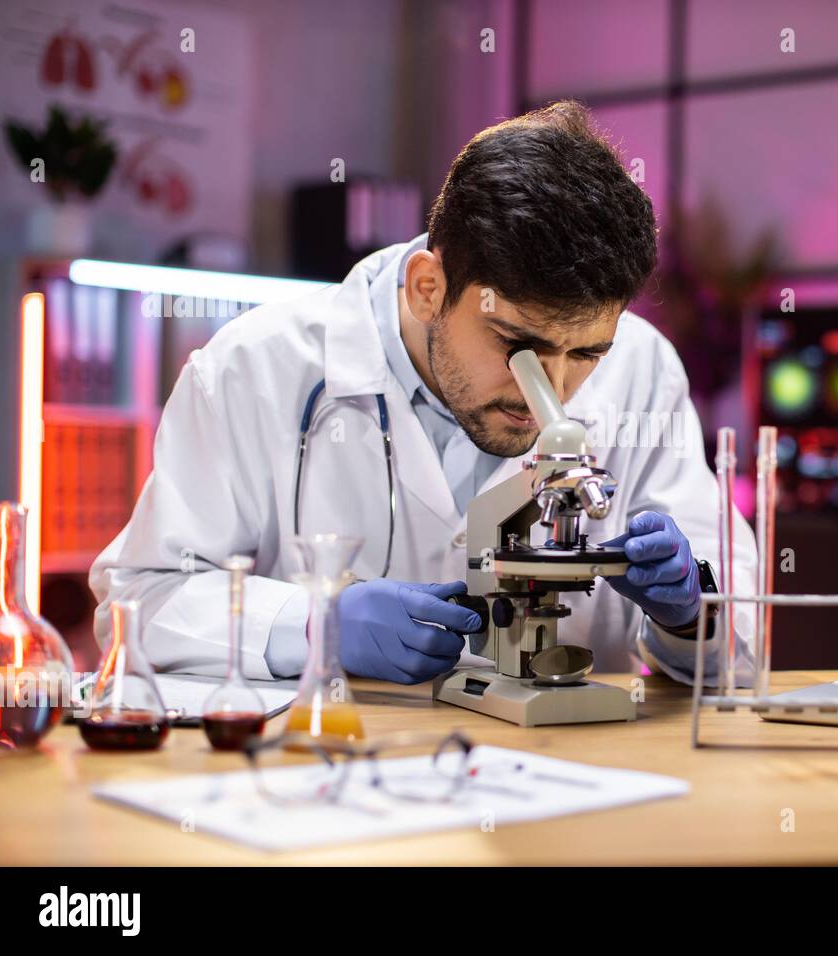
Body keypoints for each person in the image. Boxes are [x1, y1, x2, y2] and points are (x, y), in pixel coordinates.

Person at [90, 101, 757, 687]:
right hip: (332, 790)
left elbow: (741, 642)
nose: (551, 392)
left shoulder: (643, 367)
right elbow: (139, 603)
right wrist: (315, 623)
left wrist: (692, 611)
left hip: (572, 788)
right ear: (426, 287)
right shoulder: (250, 370)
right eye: (518, 346)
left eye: (585, 353)